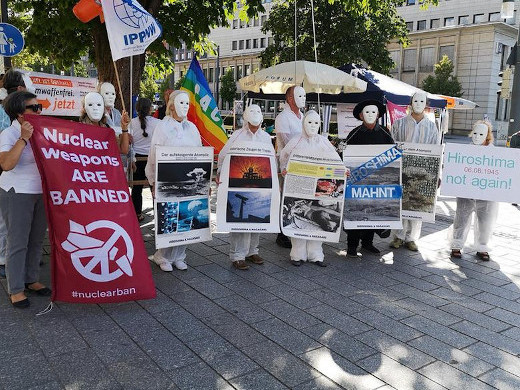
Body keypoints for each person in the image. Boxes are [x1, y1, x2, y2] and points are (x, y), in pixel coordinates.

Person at [0, 91, 49, 308]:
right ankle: (16, 289)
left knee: (36, 239)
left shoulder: (42, 130)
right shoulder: (8, 135)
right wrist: (23, 139)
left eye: (39, 107)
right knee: (18, 241)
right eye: (34, 108)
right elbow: (7, 164)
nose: (39, 110)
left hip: (40, 191)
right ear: (20, 114)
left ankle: (31, 279)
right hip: (17, 191)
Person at [145, 90, 201, 272]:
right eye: (181, 102)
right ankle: (162, 255)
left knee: (186, 216)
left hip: (189, 181)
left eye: (187, 103)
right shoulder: (162, 127)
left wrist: (204, 182)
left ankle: (179, 255)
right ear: (171, 105)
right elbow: (154, 153)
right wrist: (153, 181)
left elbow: (200, 155)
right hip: (168, 180)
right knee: (168, 217)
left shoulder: (193, 128)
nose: (184, 106)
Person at [280, 110, 341, 267]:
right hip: (299, 187)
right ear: (303, 123)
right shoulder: (295, 141)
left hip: (319, 188)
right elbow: (284, 156)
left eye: (316, 123)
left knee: (317, 224)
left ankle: (316, 254)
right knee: (299, 219)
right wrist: (284, 169)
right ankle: (297, 254)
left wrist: (343, 170)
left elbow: (336, 159)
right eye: (309, 122)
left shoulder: (323, 142)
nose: (313, 126)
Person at [217, 104, 270, 270]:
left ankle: (253, 251)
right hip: (240, 182)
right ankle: (238, 255)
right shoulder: (237, 136)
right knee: (241, 219)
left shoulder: (266, 137)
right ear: (246, 118)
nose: (255, 123)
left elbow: (270, 160)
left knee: (257, 216)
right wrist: (219, 173)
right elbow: (224, 155)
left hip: (261, 184)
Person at [390, 91, 441, 252]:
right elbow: (392, 145)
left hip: (422, 170)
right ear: (410, 103)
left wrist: (437, 174)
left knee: (417, 203)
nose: (418, 104)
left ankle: (411, 238)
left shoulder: (432, 127)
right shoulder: (399, 124)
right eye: (415, 101)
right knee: (401, 203)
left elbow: (436, 150)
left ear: (426, 104)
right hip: (402, 169)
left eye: (422, 101)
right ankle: (398, 236)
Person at [345, 100, 394, 258]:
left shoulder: (385, 133)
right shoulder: (354, 134)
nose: (371, 115)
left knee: (373, 211)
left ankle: (367, 243)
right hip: (358, 181)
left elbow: (393, 155)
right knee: (356, 211)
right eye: (367, 112)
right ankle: (352, 245)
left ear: (379, 114)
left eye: (374, 112)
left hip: (378, 181)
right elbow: (344, 155)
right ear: (361, 115)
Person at [450, 120, 498, 261]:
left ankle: (482, 247)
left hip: (486, 194)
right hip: (466, 193)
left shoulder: (495, 153)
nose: (477, 136)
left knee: (485, 221)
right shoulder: (465, 152)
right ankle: (456, 245)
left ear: (487, 135)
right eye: (475, 133)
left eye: (481, 134)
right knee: (461, 218)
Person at [0, 69, 30, 279]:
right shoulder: (11, 111)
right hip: (8, 167)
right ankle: (5, 260)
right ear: (20, 89)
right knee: (5, 220)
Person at [274, 85, 306, 248]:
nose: (303, 99)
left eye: (304, 96)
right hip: (288, 163)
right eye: (299, 96)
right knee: (286, 197)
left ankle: (294, 227)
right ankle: (282, 233)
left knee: (298, 197)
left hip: (303, 163)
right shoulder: (282, 117)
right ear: (290, 98)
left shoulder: (303, 116)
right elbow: (285, 142)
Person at [129, 97, 160, 221]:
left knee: (137, 188)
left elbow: (130, 143)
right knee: (155, 186)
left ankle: (137, 213)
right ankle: (158, 214)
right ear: (150, 109)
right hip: (153, 158)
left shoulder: (131, 123)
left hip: (137, 159)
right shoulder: (158, 123)